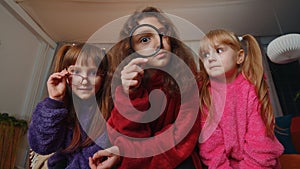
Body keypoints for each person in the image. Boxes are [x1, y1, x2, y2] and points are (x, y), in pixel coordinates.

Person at [90, 6, 202, 169]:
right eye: (145, 40)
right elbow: (122, 136)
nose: (159, 43)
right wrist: (130, 94)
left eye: (163, 34)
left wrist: (127, 155)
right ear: (132, 50)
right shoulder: (125, 87)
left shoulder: (189, 80)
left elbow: (181, 140)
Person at [197, 29, 284, 168]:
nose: (210, 58)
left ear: (239, 57)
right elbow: (211, 149)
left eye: (219, 51)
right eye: (205, 55)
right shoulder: (206, 97)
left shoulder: (251, 89)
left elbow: (261, 144)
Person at [28, 43, 118, 169]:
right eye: (75, 71)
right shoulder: (54, 107)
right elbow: (41, 146)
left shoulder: (112, 111)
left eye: (93, 73)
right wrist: (54, 100)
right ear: (64, 74)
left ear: (103, 78)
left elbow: (95, 156)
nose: (84, 80)